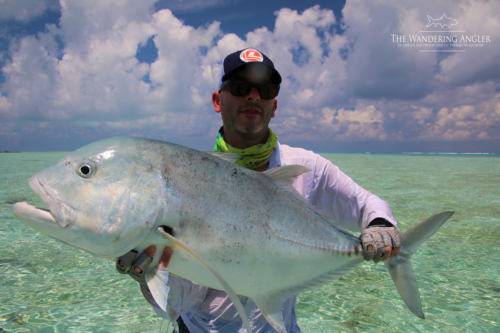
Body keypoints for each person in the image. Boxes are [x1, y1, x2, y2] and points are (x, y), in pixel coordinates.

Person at [116, 48, 401, 333]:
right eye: (240, 87)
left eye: (265, 89)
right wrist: (151, 272)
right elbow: (181, 302)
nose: (253, 96)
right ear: (218, 100)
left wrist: (380, 225)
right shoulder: (186, 178)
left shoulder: (305, 167)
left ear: (273, 106)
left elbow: (366, 204)